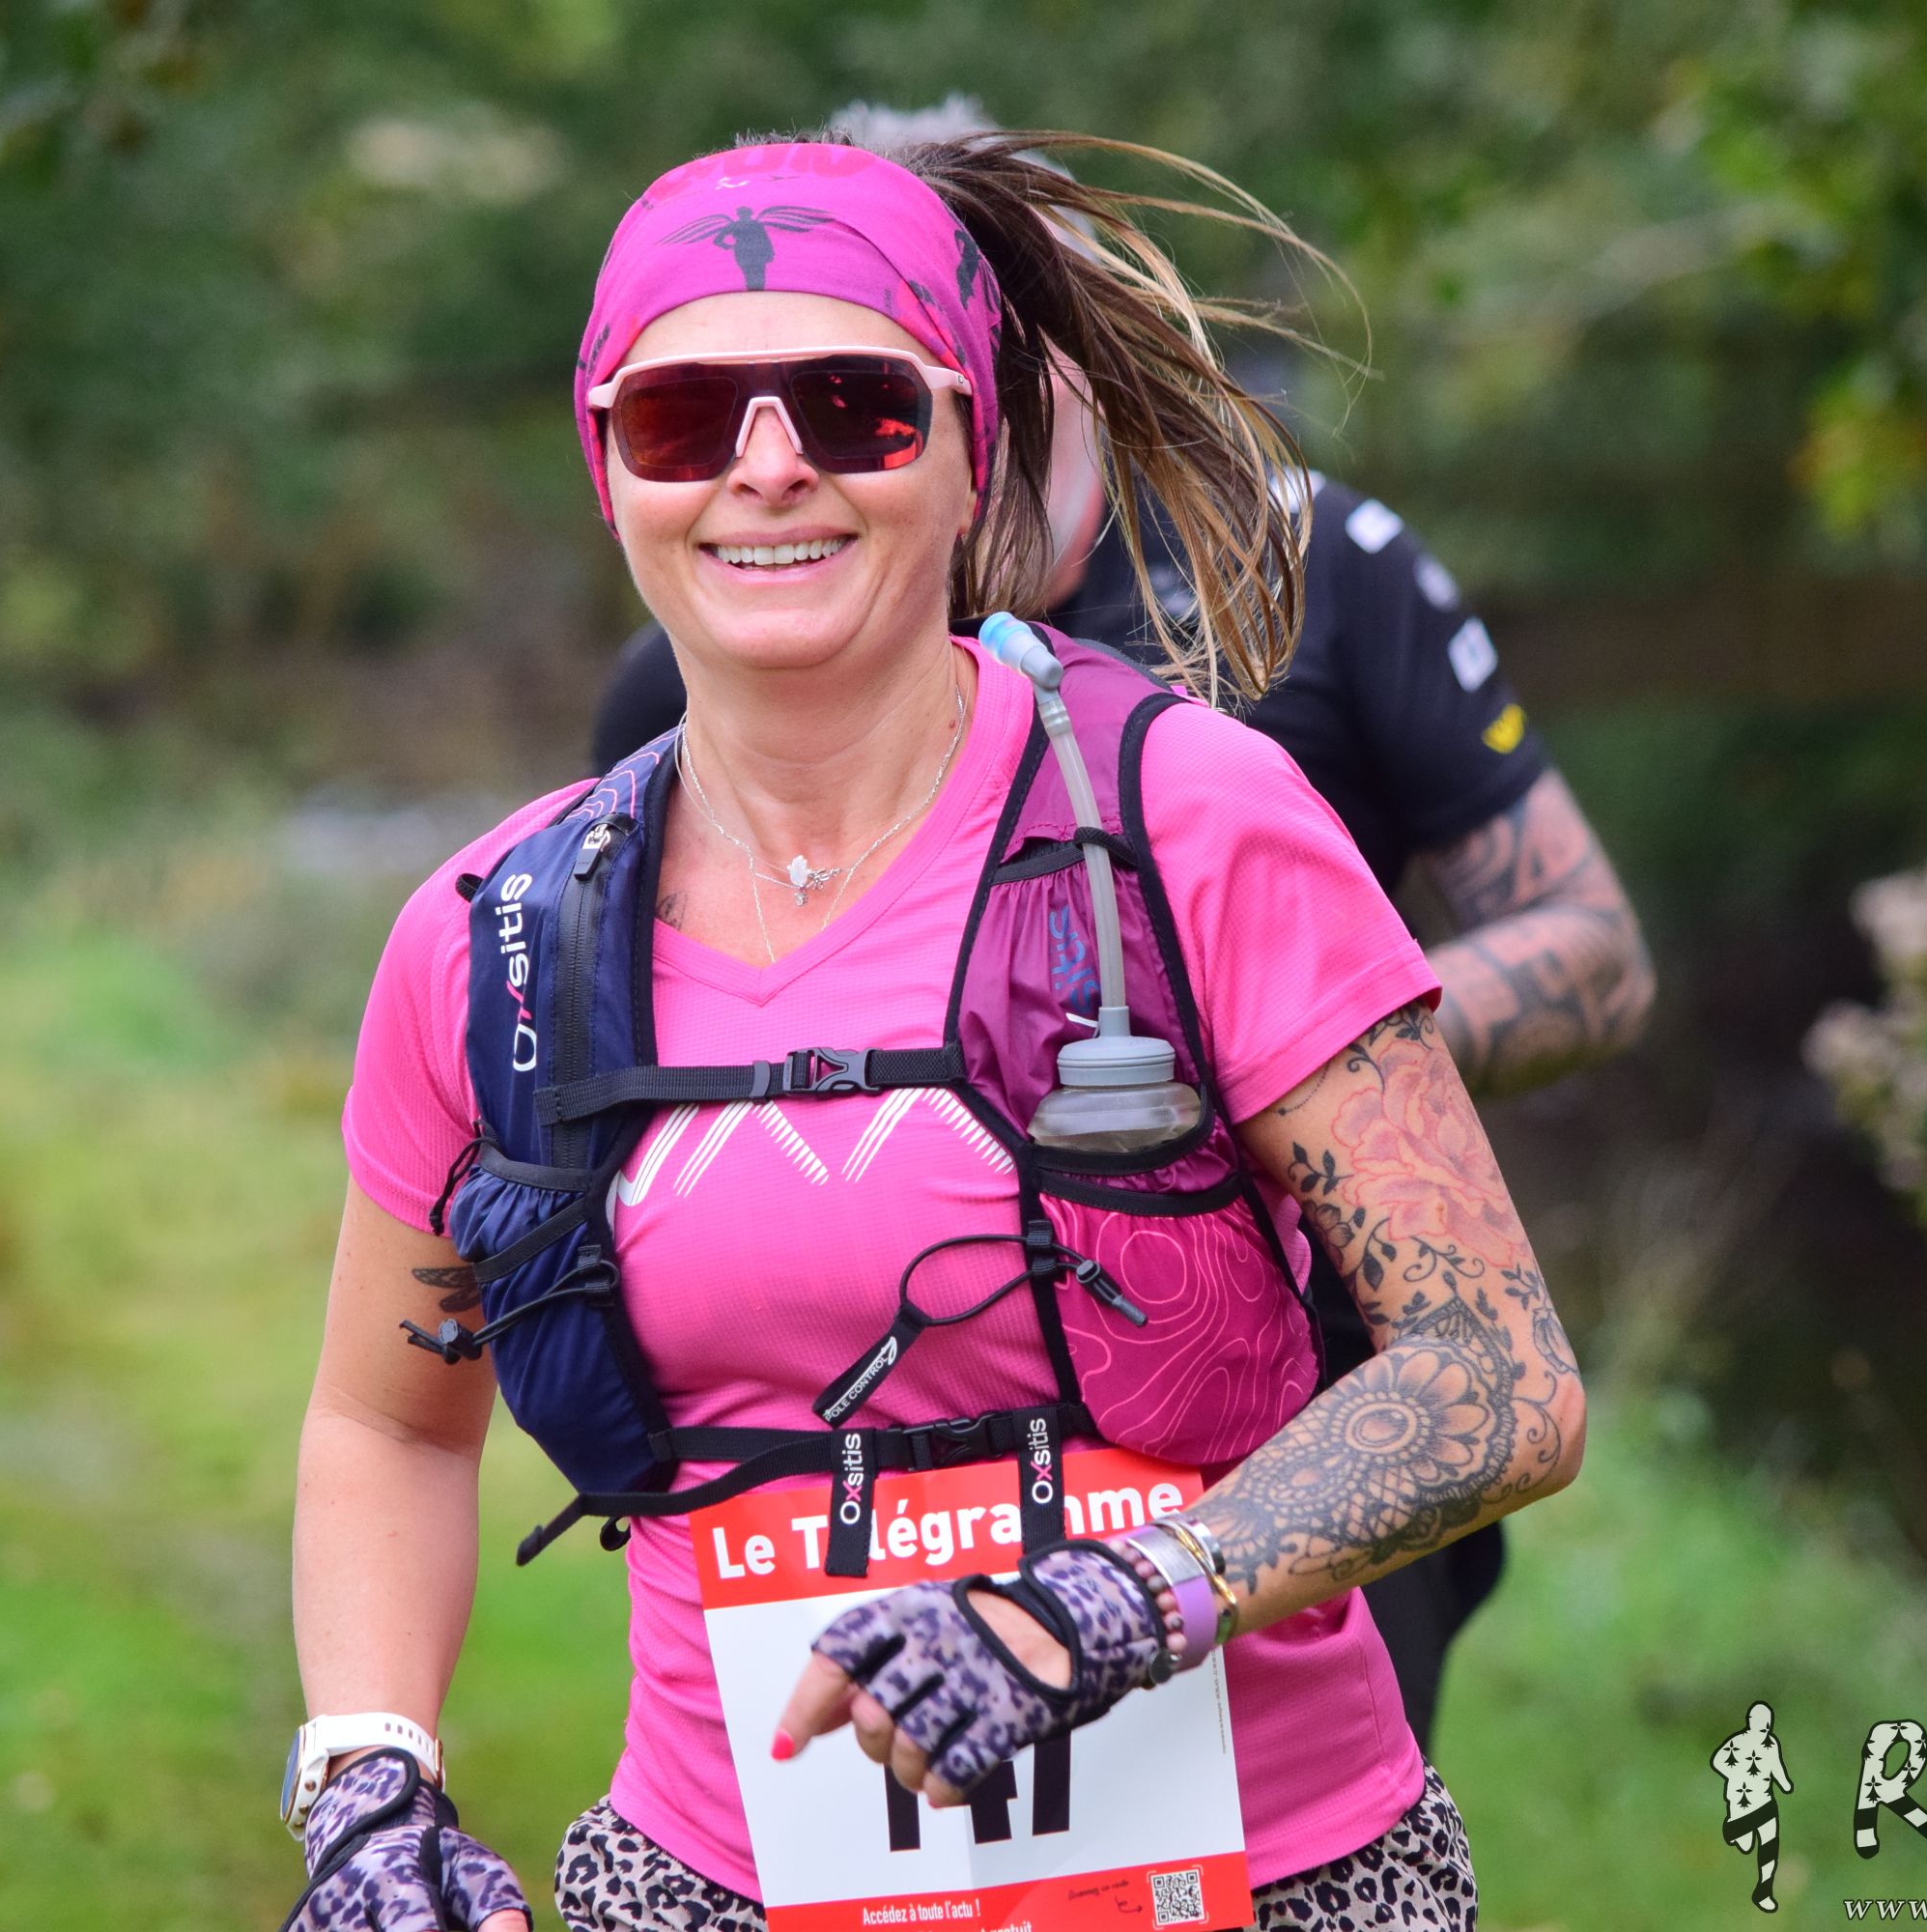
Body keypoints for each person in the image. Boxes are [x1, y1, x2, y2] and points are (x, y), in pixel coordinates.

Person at [290, 128, 1585, 1932]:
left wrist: (1107, 1606)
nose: (767, 468)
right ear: (609, 470)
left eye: (855, 407)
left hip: (1266, 1881)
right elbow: (391, 1428)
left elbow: (1498, 1376)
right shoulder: (495, 938)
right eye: (683, 418)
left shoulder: (1195, 820)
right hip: (718, 1888)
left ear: (973, 445)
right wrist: (369, 1787)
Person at [588, 110, 1655, 1753]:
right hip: (850, 1455)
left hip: (1307, 1405)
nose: (797, 448)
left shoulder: (1306, 564)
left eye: (871, 394)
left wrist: (1290, 1068)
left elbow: (1590, 945)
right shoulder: (718, 645)